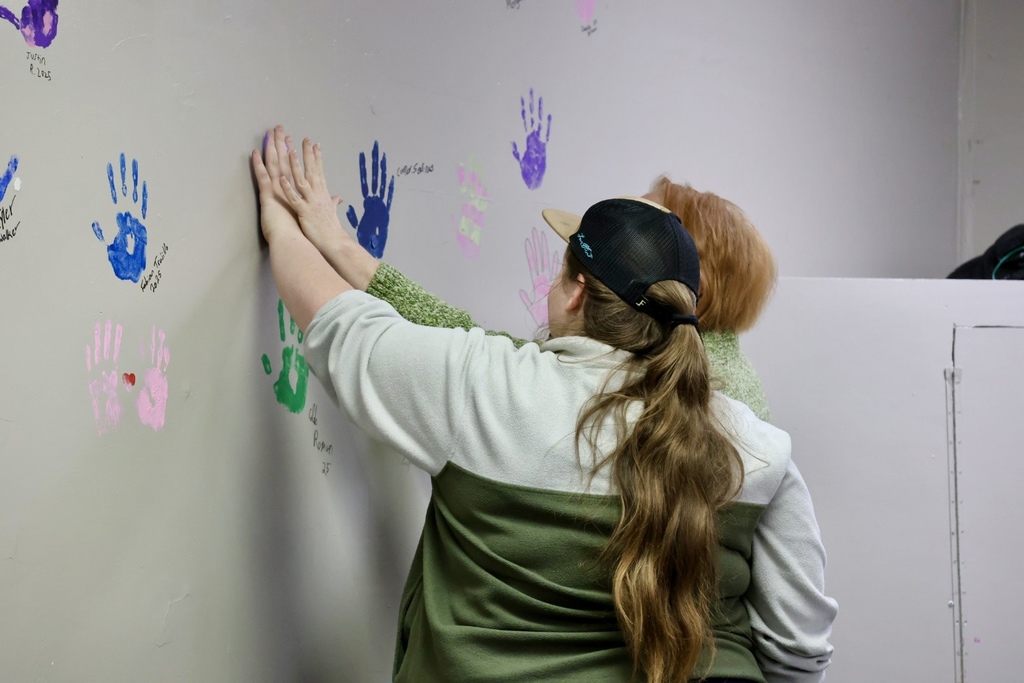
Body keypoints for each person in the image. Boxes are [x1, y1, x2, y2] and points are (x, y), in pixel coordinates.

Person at [251, 126, 837, 682]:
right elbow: (798, 650)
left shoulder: (484, 386)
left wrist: (283, 228)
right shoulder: (763, 448)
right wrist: (341, 246)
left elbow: (343, 327)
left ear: (575, 292)